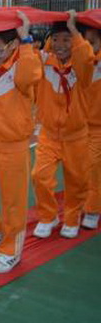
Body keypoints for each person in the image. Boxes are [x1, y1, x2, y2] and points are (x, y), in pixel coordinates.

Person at [0, 12, 42, 273]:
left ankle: (11, 249)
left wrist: (26, 41)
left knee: (13, 200)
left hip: (14, 143)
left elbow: (29, 77)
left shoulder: (23, 64)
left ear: (12, 45)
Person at [32, 11, 96, 239]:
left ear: (76, 41)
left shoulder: (83, 68)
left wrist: (75, 32)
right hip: (49, 134)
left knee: (76, 180)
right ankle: (48, 217)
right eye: (56, 39)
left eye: (67, 40)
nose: (60, 45)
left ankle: (71, 218)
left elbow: (85, 58)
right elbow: (29, 56)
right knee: (40, 176)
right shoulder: (44, 62)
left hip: (76, 136)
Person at [81, 24, 101, 229]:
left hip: (97, 127)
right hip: (79, 127)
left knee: (93, 167)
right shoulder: (81, 61)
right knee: (81, 168)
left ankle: (93, 209)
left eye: (92, 43)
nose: (88, 47)